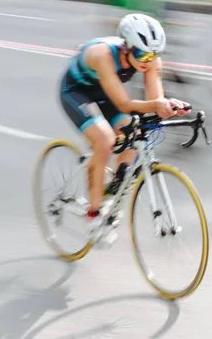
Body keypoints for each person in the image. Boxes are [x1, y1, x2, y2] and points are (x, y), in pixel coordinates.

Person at [59, 13, 191, 245]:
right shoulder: (103, 55)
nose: (147, 60)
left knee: (137, 130)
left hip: (106, 92)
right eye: (142, 53)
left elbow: (154, 101)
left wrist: (169, 106)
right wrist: (158, 105)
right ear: (126, 47)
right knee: (104, 141)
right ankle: (93, 215)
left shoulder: (150, 60)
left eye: (154, 54)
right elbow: (124, 104)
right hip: (76, 90)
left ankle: (112, 189)